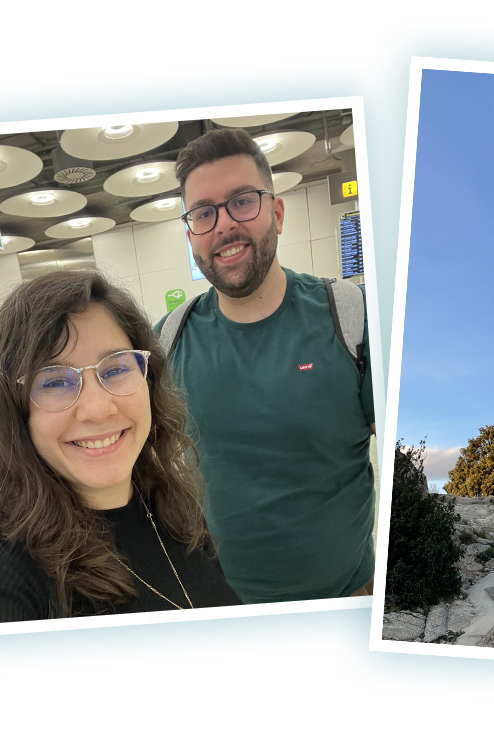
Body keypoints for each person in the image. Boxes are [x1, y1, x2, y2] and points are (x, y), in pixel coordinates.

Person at [154, 127, 376, 604]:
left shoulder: (352, 319)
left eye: (242, 201)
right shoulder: (166, 342)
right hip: (213, 607)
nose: (224, 226)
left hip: (347, 598)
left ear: (276, 213)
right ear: (191, 234)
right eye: (203, 213)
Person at [0, 270, 240, 624]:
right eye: (56, 380)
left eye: (116, 368)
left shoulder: (175, 512)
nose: (98, 408)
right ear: (15, 411)